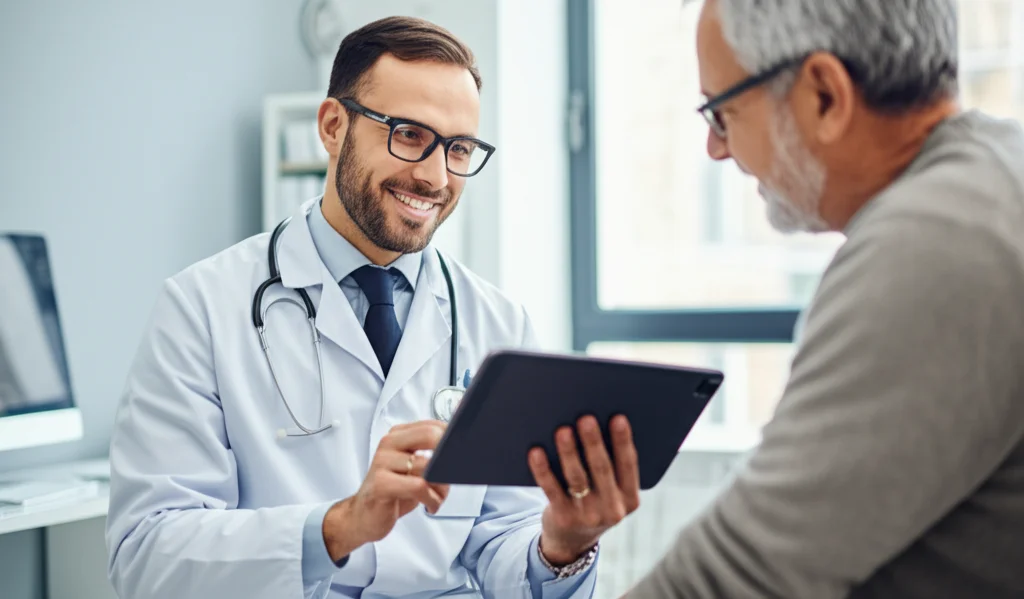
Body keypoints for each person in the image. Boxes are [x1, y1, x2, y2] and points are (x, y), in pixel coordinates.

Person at [105, 16, 640, 599]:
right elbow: (145, 555)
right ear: (333, 126)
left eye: (458, 148)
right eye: (409, 134)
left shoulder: (499, 324)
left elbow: (501, 543)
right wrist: (338, 527)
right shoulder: (201, 309)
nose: (435, 177)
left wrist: (560, 545)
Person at [625, 0, 1024, 598]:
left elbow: (739, 576)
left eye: (722, 113)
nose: (716, 149)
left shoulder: (933, 241)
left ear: (824, 96)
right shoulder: (997, 171)